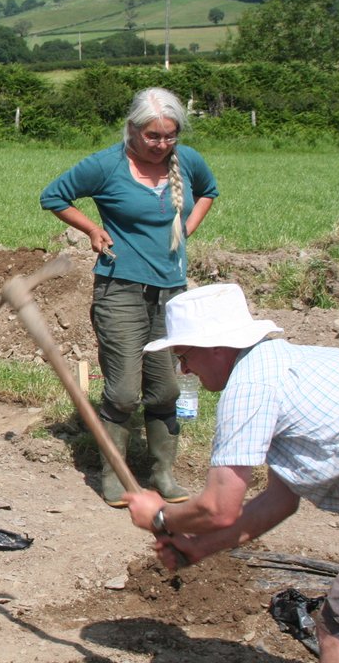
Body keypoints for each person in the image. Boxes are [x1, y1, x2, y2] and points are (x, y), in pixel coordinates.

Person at [125, 283, 339, 663]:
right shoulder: (302, 364)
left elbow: (218, 508)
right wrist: (200, 547)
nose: (183, 368)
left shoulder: (250, 386)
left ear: (214, 346)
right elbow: (279, 501)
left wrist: (161, 516)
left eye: (184, 355)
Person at [41, 87, 218, 507]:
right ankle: (115, 476)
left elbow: (209, 190)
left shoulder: (186, 161)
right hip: (120, 289)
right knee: (122, 392)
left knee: (166, 390)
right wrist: (91, 229)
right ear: (133, 130)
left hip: (171, 293)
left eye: (169, 136)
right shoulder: (107, 164)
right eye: (153, 136)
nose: (162, 145)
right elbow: (54, 195)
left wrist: (186, 229)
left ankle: (163, 473)